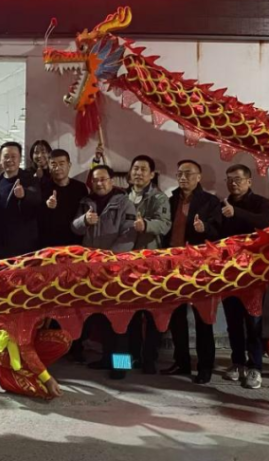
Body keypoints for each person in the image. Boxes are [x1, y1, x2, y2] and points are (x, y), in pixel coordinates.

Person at [163, 159, 222, 384]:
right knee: (176, 317)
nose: (183, 177)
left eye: (188, 174)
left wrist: (204, 228)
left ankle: (205, 366)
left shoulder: (209, 202)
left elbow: (218, 231)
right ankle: (182, 361)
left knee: (203, 319)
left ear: (199, 177)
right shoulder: (170, 200)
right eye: (180, 174)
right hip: (173, 265)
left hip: (200, 267)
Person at [219, 164, 269, 389]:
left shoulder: (262, 203)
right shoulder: (221, 205)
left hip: (253, 272)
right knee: (233, 321)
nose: (234, 183)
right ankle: (237, 362)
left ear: (249, 181)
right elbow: (216, 235)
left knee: (253, 321)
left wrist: (236, 212)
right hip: (228, 272)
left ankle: (255, 367)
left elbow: (264, 222)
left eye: (239, 179)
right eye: (230, 179)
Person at [125, 155, 173, 376]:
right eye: (135, 169)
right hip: (124, 263)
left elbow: (164, 225)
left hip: (149, 263)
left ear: (152, 174)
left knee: (151, 313)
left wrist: (145, 225)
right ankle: (128, 359)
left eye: (144, 169)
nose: (138, 173)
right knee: (127, 313)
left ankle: (149, 360)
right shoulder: (122, 196)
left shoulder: (159, 198)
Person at [0, 316, 70, 400]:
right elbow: (26, 350)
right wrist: (47, 379)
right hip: (4, 351)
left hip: (24, 344)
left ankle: (31, 371)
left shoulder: (44, 302)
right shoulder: (25, 306)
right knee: (42, 391)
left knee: (63, 339)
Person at [0, 142, 42, 260]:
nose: (9, 160)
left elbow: (37, 197)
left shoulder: (29, 179)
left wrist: (24, 194)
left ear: (20, 159)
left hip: (21, 246)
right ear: (1, 159)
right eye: (6, 156)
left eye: (13, 156)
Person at [71, 165, 137, 252]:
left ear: (112, 181)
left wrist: (109, 256)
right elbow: (75, 228)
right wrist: (84, 220)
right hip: (89, 258)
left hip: (113, 259)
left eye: (102, 179)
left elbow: (129, 236)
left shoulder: (125, 204)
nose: (99, 183)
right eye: (95, 180)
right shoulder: (86, 202)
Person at [39, 149, 89, 248]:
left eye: (62, 164)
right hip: (48, 244)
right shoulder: (42, 187)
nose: (57, 168)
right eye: (53, 165)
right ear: (49, 167)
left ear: (69, 165)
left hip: (75, 243)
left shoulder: (80, 188)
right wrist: (47, 206)